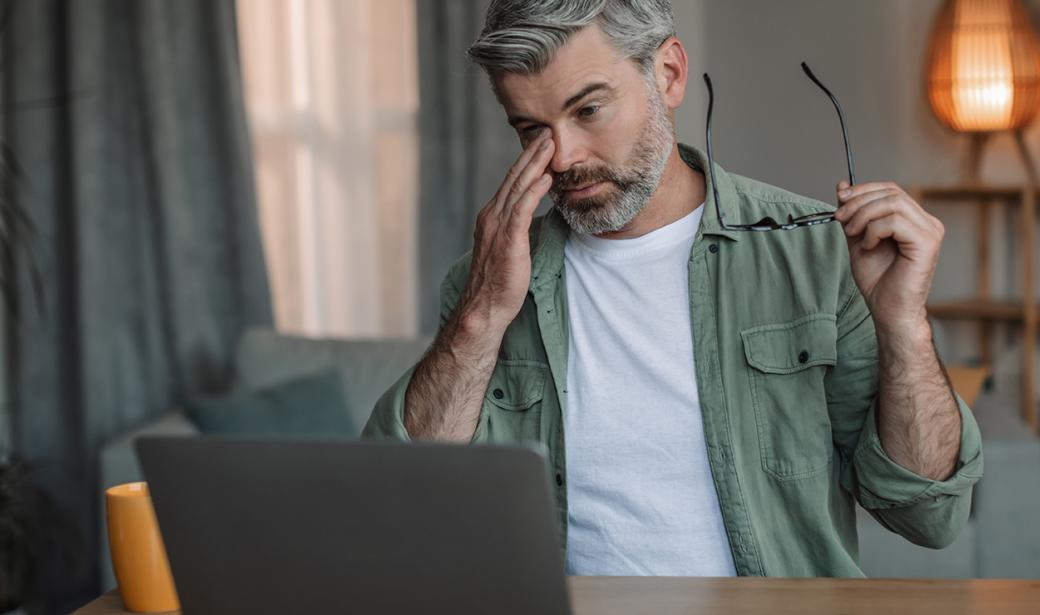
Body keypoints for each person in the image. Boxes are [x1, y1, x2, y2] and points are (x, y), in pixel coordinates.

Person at [364, 0, 983, 577]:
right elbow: (402, 512)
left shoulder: (818, 256)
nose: (560, 157)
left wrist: (903, 322)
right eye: (531, 129)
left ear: (668, 72)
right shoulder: (486, 285)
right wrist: (481, 317)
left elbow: (929, 515)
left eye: (587, 110)